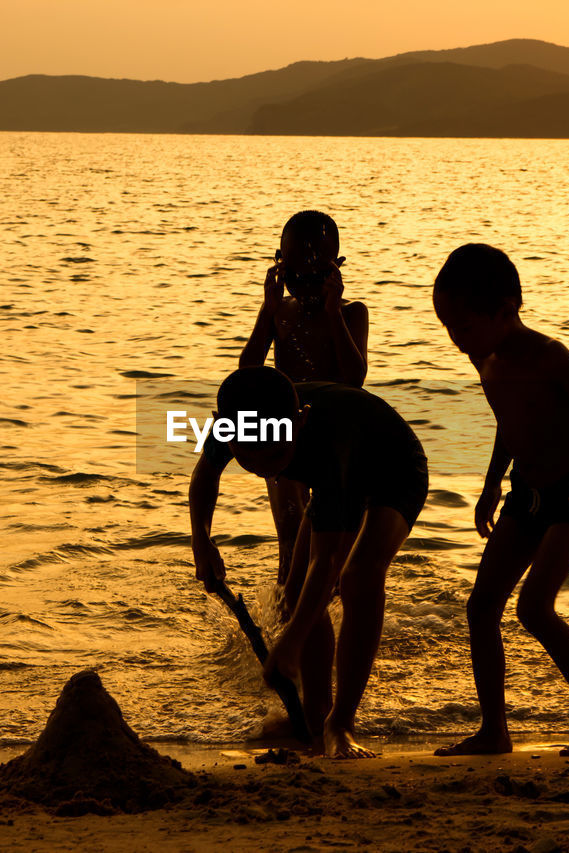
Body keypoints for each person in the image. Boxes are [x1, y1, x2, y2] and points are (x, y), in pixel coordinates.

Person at [430, 243, 569, 757]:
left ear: (504, 310)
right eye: (446, 326)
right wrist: (493, 483)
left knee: (535, 608)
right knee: (481, 608)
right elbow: (507, 421)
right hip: (525, 493)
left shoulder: (549, 356)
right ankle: (495, 730)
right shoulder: (483, 355)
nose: (456, 340)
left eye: (464, 326)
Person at [189, 367, 426, 758]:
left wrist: (291, 642)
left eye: (279, 456)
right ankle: (316, 716)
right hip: (334, 477)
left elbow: (327, 559)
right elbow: (204, 475)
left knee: (358, 577)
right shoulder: (236, 425)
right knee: (294, 597)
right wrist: (202, 539)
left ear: (300, 420)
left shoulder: (328, 440)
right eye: (252, 458)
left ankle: (341, 723)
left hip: (393, 468)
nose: (269, 469)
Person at [237, 211, 368, 588]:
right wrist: (268, 307)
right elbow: (249, 371)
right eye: (295, 275)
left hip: (335, 440)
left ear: (335, 271)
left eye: (316, 276)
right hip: (287, 439)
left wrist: (332, 314)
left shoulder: (351, 313)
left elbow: (354, 379)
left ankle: (328, 619)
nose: (305, 287)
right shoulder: (281, 313)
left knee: (334, 546)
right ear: (279, 267)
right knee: (291, 543)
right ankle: (286, 622)